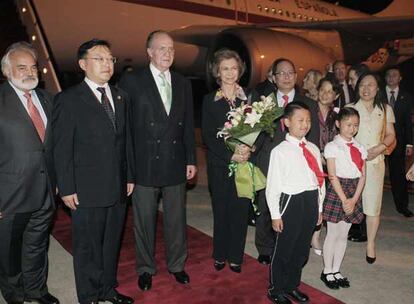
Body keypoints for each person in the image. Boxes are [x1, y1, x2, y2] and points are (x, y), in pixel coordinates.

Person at [53, 39, 135, 304]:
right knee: (88, 247)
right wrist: (66, 187)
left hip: (118, 186)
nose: (107, 64)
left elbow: (127, 142)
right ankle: (88, 296)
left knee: (111, 244)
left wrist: (130, 175)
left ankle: (108, 289)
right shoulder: (69, 99)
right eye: (99, 58)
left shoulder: (121, 96)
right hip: (86, 188)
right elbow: (62, 147)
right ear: (82, 64)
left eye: (110, 58)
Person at [118, 30, 197, 291]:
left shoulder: (183, 82)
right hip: (144, 164)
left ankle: (177, 265)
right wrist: (127, 167)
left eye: (171, 49)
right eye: (161, 48)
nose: (167, 53)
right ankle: (145, 268)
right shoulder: (132, 82)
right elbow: (125, 128)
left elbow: (186, 126)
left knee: (176, 219)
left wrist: (190, 158)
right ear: (149, 52)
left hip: (174, 161)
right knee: (144, 221)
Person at [0, 42, 59, 304]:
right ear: (6, 71)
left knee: (37, 245)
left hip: (46, 191)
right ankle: (14, 294)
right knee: (9, 251)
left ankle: (37, 290)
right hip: (9, 196)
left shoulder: (48, 99)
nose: (29, 72)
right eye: (21, 67)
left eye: (33, 67)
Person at [254, 58, 320, 265]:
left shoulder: (309, 103)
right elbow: (254, 133)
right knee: (266, 204)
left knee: (293, 209)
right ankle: (265, 248)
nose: (286, 77)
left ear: (296, 76)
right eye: (281, 73)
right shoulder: (263, 102)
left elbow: (314, 137)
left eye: (290, 73)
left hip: (297, 163)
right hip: (267, 159)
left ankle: (290, 246)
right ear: (273, 77)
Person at [202, 49, 256, 273]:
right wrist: (230, 154)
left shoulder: (249, 98)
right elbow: (207, 136)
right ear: (217, 71)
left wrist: (251, 148)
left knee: (240, 212)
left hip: (244, 164)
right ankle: (220, 254)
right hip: (220, 165)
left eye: (234, 68)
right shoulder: (210, 100)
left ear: (240, 70)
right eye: (225, 68)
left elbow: (259, 130)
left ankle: (236, 257)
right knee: (221, 211)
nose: (230, 73)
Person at [266, 102, 325, 304]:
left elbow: (320, 180)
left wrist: (319, 207)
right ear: (287, 122)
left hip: (310, 201)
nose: (305, 124)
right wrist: (275, 214)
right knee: (284, 249)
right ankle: (276, 289)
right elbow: (272, 185)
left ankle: (292, 286)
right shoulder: (279, 151)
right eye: (300, 120)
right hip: (290, 202)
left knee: (301, 250)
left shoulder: (314, 149)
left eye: (308, 120)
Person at [347, 72, 396, 264]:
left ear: (377, 88)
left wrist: (380, 148)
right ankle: (341, 238)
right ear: (357, 88)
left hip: (375, 164)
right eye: (362, 85)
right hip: (351, 165)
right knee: (349, 204)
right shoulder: (350, 108)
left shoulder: (385, 109)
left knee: (373, 206)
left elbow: (391, 134)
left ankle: (371, 244)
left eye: (371, 85)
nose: (366, 89)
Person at [321, 108, 367, 290]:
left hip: (354, 190)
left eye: (355, 125)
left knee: (343, 234)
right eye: (348, 124)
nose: (352, 128)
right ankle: (327, 271)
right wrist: (344, 199)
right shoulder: (332, 147)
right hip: (337, 189)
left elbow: (363, 176)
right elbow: (332, 176)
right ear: (338, 124)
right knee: (332, 233)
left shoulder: (360, 147)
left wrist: (354, 200)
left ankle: (336, 269)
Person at [311, 77, 340, 256]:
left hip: (327, 164)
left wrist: (328, 157)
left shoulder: (336, 116)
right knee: (308, 200)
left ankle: (315, 236)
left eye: (330, 91)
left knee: (321, 201)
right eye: (323, 89)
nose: (325, 94)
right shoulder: (308, 109)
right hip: (308, 160)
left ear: (335, 95)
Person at [384, 66, 413, 217]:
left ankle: (402, 206)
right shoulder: (378, 94)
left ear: (400, 78)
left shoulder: (407, 97)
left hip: (399, 141)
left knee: (398, 173)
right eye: (388, 75)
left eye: (394, 75)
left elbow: (408, 123)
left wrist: (410, 143)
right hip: (379, 140)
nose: (391, 77)